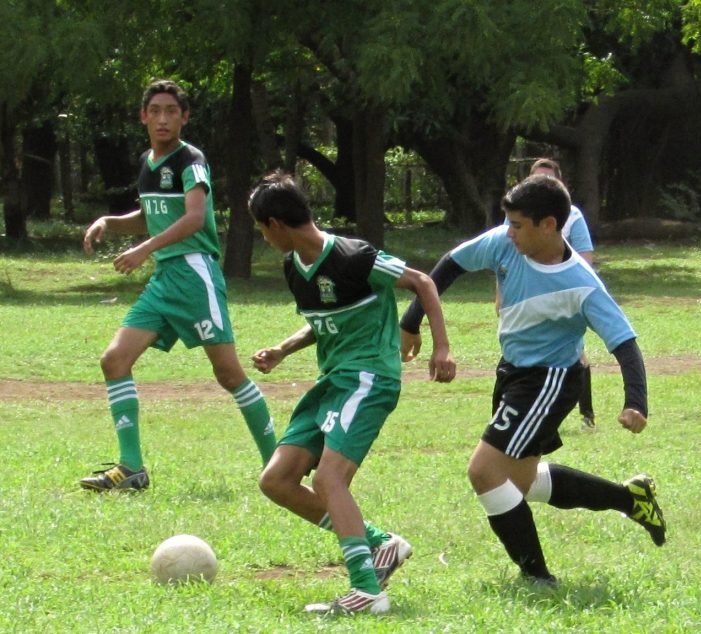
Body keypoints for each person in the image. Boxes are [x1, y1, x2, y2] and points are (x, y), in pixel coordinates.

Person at [401, 174, 665, 586]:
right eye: (508, 222)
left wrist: (637, 402)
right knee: (518, 482)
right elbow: (449, 265)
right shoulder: (505, 243)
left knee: (484, 472)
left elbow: (624, 342)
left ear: (548, 225)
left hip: (550, 380)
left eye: (518, 224)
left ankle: (538, 576)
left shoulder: (580, 283)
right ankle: (629, 498)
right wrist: (411, 322)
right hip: (513, 372)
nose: (509, 232)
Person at [248, 170, 456, 615]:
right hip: (332, 382)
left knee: (327, 478)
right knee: (277, 480)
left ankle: (368, 590)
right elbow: (323, 318)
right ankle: (380, 545)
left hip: (369, 379)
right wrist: (284, 349)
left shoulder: (353, 256)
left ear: (275, 225)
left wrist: (441, 347)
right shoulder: (294, 267)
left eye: (261, 229)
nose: (262, 238)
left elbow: (423, 281)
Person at [80, 79, 276, 492]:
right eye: (156, 111)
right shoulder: (148, 162)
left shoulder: (192, 160)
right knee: (114, 360)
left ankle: (277, 465)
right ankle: (131, 468)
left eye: (172, 111)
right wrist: (110, 222)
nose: (163, 118)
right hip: (165, 279)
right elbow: (152, 214)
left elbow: (192, 217)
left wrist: (144, 249)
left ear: (184, 117)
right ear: (144, 116)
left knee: (228, 374)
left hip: (194, 274)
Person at [498, 158, 596, 429]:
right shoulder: (519, 217)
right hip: (524, 299)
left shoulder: (572, 216)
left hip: (561, 300)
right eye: (536, 178)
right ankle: (511, 414)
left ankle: (586, 413)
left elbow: (584, 258)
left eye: (550, 179)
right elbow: (504, 260)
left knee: (577, 356)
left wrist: (569, 291)